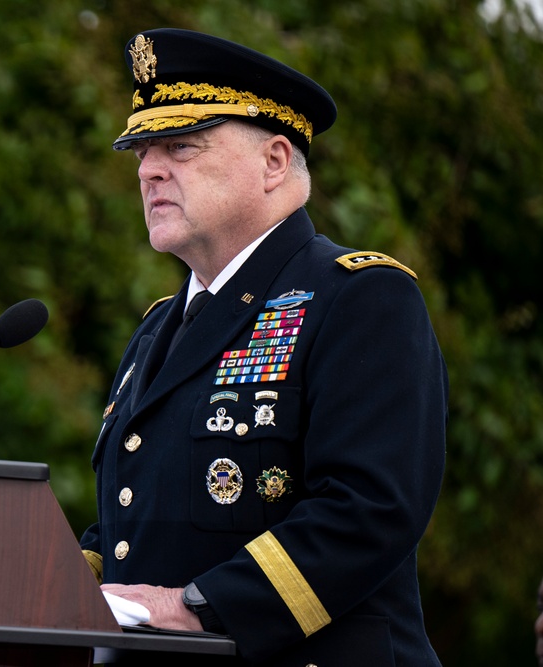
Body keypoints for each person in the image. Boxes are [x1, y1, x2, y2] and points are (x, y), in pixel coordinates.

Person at [79, 28, 448, 666]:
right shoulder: (156, 330)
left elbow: (368, 509)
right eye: (142, 151)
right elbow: (127, 534)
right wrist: (45, 587)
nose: (148, 170)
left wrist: (200, 605)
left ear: (275, 162)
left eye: (180, 145)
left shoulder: (360, 299)